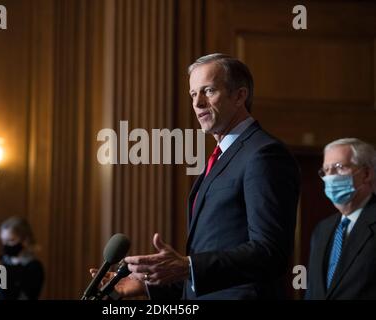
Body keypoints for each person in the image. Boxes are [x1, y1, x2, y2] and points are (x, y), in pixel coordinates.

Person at [92, 53, 300, 299]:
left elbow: (270, 252)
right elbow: (211, 261)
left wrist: (187, 266)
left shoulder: (264, 154)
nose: (198, 103)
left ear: (239, 96)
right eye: (193, 94)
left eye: (208, 91)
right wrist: (148, 285)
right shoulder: (221, 156)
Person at [306, 138, 376, 299]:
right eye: (326, 170)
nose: (330, 177)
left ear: (366, 174)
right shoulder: (322, 229)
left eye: (339, 167)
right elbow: (311, 290)